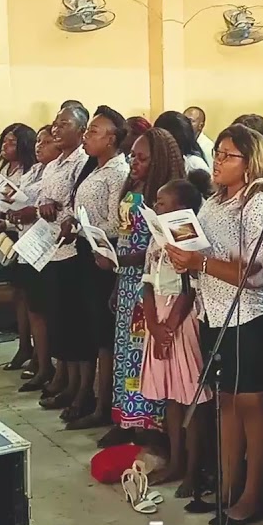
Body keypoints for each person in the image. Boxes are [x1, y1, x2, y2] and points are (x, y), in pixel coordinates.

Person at [164, 125, 263, 525]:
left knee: (253, 404)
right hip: (213, 311)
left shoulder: (258, 206)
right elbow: (208, 255)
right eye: (217, 153)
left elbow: (256, 272)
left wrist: (199, 262)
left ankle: (253, 495)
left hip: (251, 314)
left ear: (250, 163)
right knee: (226, 402)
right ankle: (229, 488)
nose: (217, 161)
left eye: (227, 155)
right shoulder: (214, 204)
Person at [99, 128, 185, 446]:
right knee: (125, 354)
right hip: (127, 282)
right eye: (132, 155)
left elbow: (157, 248)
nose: (134, 162)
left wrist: (119, 260)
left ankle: (150, 426)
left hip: (152, 285)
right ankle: (127, 419)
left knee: (142, 357)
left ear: (158, 159)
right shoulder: (133, 185)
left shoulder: (164, 197)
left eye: (141, 157)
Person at [60, 106, 130, 428]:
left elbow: (119, 221)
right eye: (87, 131)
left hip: (105, 256)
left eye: (94, 132)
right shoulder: (94, 167)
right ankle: (85, 394)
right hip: (85, 251)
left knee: (103, 334)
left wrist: (88, 228)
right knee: (87, 328)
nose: (87, 136)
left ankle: (104, 406)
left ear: (112, 139)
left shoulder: (118, 172)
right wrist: (77, 223)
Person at [142, 177, 211, 492]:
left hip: (181, 322)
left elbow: (190, 286)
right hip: (158, 319)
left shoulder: (185, 236)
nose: (157, 206)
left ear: (182, 209)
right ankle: (176, 461)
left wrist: (169, 326)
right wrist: (154, 325)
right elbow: (147, 281)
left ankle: (196, 468)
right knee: (171, 396)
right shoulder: (156, 238)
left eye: (163, 202)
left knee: (190, 397)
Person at [17, 105, 90, 400]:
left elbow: (77, 200)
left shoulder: (81, 161)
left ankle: (71, 382)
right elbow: (46, 197)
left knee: (67, 318)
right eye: (55, 125)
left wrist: (51, 209)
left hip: (69, 247)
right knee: (53, 315)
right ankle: (57, 372)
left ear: (81, 130)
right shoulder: (55, 163)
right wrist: (41, 206)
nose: (56, 130)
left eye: (64, 124)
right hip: (46, 245)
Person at [3, 125, 57, 384]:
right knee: (32, 307)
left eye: (46, 142)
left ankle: (45, 363)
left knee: (45, 310)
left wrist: (31, 212)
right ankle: (38, 359)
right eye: (38, 141)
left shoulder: (57, 172)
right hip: (27, 243)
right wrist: (8, 218)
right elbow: (22, 202)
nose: (39, 146)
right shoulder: (35, 169)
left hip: (47, 246)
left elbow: (52, 208)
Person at [0, 123, 38, 372]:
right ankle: (23, 345)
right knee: (18, 295)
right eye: (4, 141)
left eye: (11, 142)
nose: (5, 146)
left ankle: (38, 351)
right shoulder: (7, 168)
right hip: (11, 234)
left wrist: (8, 218)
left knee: (32, 299)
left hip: (29, 236)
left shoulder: (31, 170)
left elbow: (29, 205)